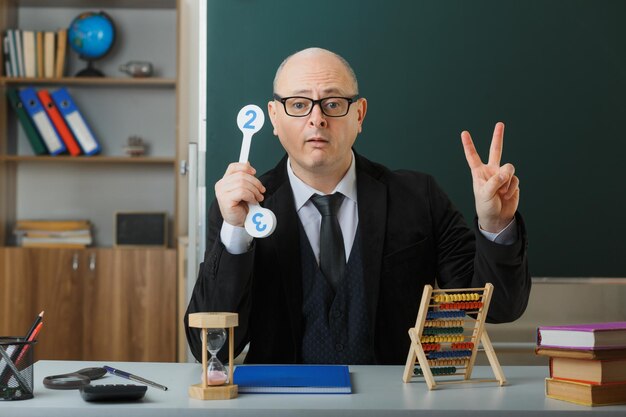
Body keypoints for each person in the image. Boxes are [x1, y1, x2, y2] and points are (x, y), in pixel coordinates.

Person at [185, 47, 530, 365]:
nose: (317, 118)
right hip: (282, 404)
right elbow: (207, 349)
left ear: (359, 114)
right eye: (299, 103)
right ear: (274, 117)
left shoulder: (418, 197)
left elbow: (498, 308)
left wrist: (495, 224)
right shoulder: (242, 209)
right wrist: (234, 235)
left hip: (395, 405)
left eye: (333, 103)